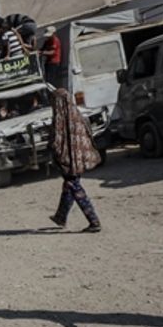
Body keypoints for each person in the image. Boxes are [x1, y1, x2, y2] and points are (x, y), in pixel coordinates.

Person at [47, 88, 102, 232]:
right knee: (69, 185)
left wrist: (54, 154)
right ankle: (60, 216)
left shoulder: (59, 120)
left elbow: (56, 142)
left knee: (74, 186)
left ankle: (94, 221)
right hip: (79, 159)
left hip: (67, 160)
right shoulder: (77, 116)